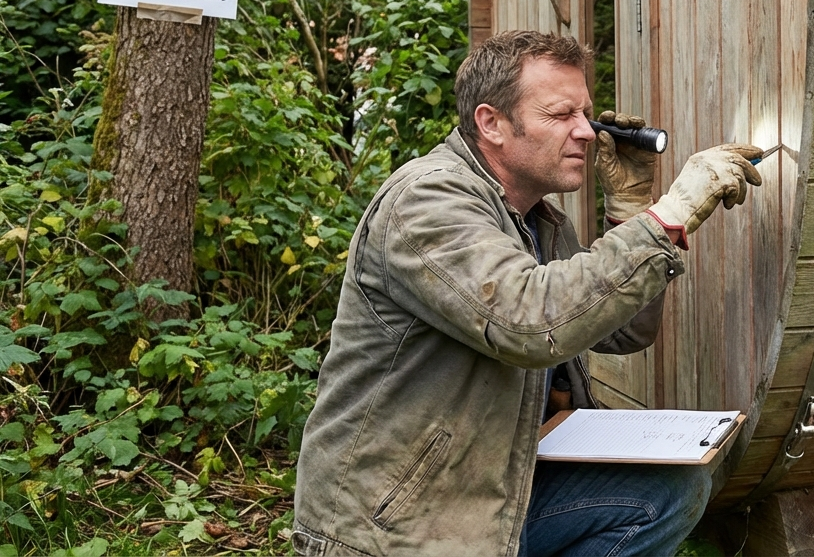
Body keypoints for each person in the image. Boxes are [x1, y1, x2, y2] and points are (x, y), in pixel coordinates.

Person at [291, 30, 763, 556]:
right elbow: (532, 322)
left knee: (665, 493)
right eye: (561, 115)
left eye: (587, 114)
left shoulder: (536, 220)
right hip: (396, 524)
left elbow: (624, 331)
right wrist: (667, 217)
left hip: (492, 491)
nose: (586, 132)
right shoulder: (425, 200)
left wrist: (631, 207)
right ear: (491, 123)